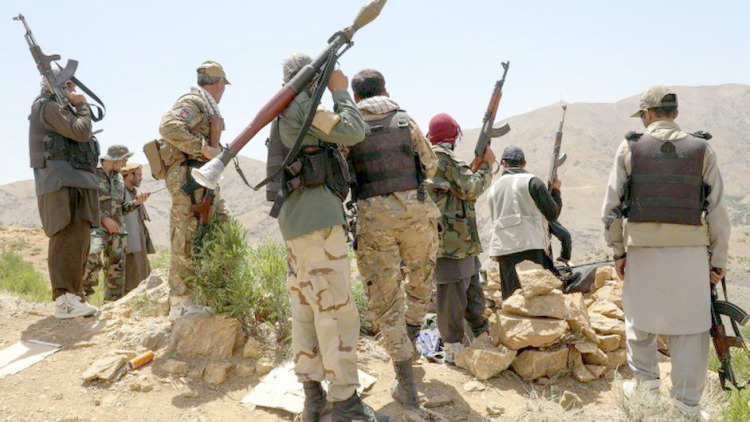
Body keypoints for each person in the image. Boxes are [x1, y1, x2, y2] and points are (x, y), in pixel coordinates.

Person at [601, 86, 730, 421]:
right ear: (675, 113)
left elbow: (611, 210)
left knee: (639, 323)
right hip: (691, 255)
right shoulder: (702, 148)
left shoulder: (629, 147)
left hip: (642, 254)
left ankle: (646, 394)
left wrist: (618, 254)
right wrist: (718, 262)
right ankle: (686, 407)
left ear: (647, 114)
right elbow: (718, 213)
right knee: (690, 330)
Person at [275, 53, 384, 422]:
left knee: (306, 312)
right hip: (319, 226)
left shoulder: (287, 107)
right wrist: (340, 91)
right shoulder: (303, 106)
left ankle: (313, 399)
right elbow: (353, 131)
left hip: (297, 225)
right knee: (336, 313)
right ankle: (346, 405)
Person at [349, 68, 440, 408]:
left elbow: (341, 176)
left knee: (385, 298)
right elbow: (431, 166)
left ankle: (405, 382)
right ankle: (412, 337)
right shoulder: (405, 121)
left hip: (374, 221)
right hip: (415, 215)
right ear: (385, 90)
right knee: (421, 280)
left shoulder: (350, 127)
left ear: (356, 97)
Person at [159, 60, 230, 319]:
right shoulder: (193, 102)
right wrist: (202, 148)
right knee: (185, 233)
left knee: (220, 228)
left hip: (202, 178)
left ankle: (217, 294)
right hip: (188, 177)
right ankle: (180, 301)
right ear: (219, 84)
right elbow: (168, 126)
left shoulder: (205, 106)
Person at [28, 69, 100, 319]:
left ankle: (73, 296)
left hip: (75, 180)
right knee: (66, 237)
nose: (72, 89)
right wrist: (82, 106)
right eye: (67, 84)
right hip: (60, 183)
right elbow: (81, 131)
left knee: (79, 237)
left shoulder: (58, 107)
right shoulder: (47, 106)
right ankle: (64, 301)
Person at [424, 113, 494, 363]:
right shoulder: (442, 157)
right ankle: (453, 348)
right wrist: (487, 166)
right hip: (452, 243)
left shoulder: (432, 157)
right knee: (452, 297)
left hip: (459, 242)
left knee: (472, 292)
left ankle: (479, 338)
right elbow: (470, 188)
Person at [487, 145, 562, 300]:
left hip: (504, 249)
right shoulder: (533, 182)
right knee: (535, 298)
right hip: (531, 246)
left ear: (504, 163)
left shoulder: (493, 188)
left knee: (512, 299)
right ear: (524, 163)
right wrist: (556, 191)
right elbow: (552, 214)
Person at [82, 145, 147, 301]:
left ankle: (112, 305)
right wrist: (103, 219)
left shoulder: (119, 178)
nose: (125, 164)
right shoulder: (92, 174)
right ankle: (83, 299)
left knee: (116, 271)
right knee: (92, 256)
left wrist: (136, 203)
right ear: (115, 159)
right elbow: (85, 203)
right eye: (124, 160)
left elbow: (120, 208)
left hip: (118, 231)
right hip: (97, 228)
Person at [121, 162, 154, 294]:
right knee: (132, 275)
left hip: (139, 239)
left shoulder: (133, 191)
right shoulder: (121, 191)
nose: (141, 178)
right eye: (139, 175)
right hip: (129, 241)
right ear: (130, 176)